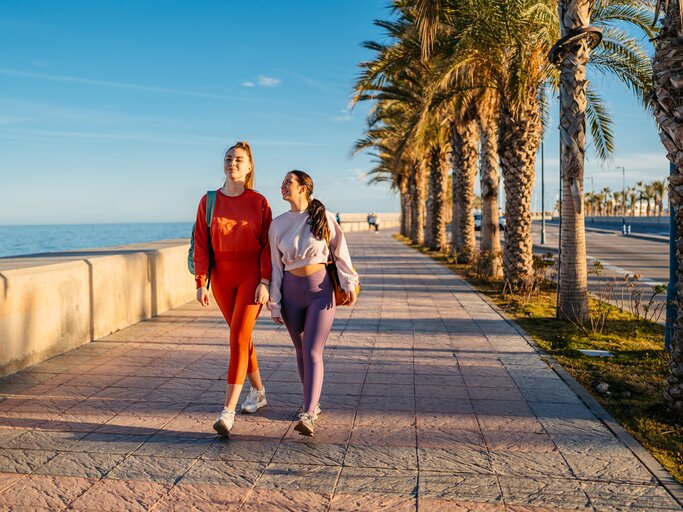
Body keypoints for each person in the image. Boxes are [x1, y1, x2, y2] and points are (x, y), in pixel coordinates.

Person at [268, 170, 359, 436]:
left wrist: (348, 282)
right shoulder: (277, 224)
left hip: (321, 292)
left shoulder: (323, 217)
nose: (283, 186)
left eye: (289, 182)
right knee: (300, 351)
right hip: (291, 293)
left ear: (304, 188)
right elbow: (275, 267)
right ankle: (313, 402)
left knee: (312, 351)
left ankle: (308, 413)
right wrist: (275, 302)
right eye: (282, 181)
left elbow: (340, 253)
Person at [193, 141, 272, 438]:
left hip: (251, 275)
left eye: (239, 160)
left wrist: (265, 280)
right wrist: (201, 282)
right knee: (242, 336)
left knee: (237, 336)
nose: (232, 163)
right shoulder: (209, 200)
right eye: (228, 159)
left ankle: (227, 412)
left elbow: (268, 245)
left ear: (250, 166)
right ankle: (259, 391)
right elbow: (201, 242)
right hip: (221, 277)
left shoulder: (259, 202)